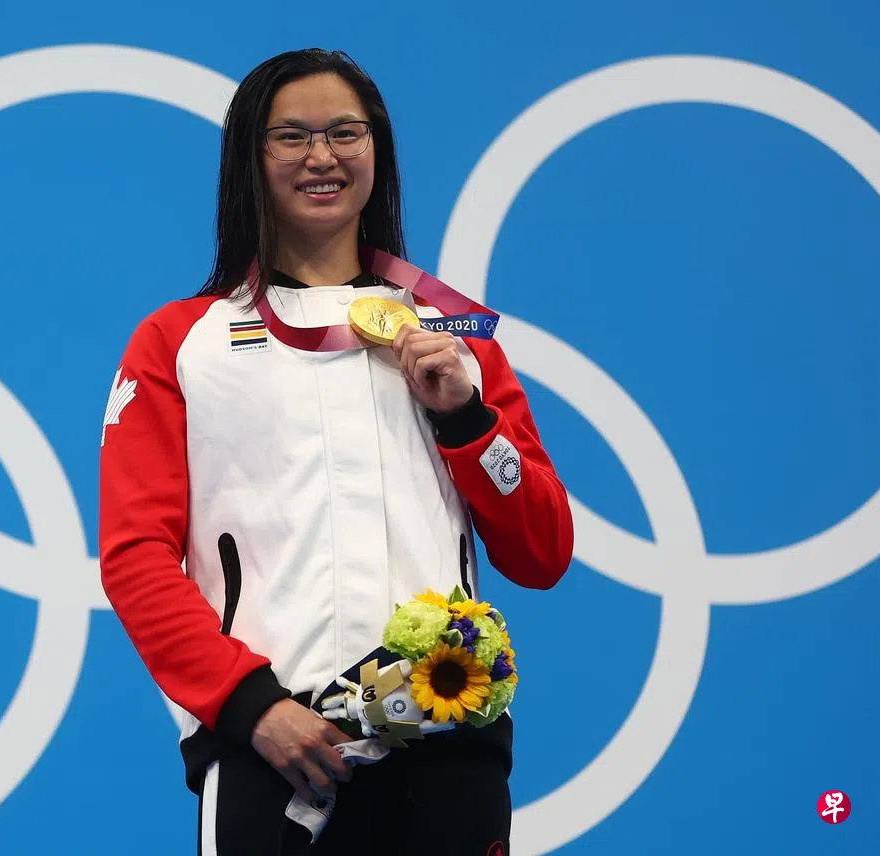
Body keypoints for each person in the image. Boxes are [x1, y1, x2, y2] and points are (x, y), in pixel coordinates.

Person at [98, 47, 574, 856]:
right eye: (292, 136)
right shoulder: (180, 341)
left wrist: (465, 420)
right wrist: (250, 706)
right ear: (249, 159)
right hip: (273, 747)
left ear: (377, 151)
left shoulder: (453, 336)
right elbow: (135, 557)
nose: (322, 156)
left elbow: (543, 551)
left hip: (447, 743)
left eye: (345, 133)